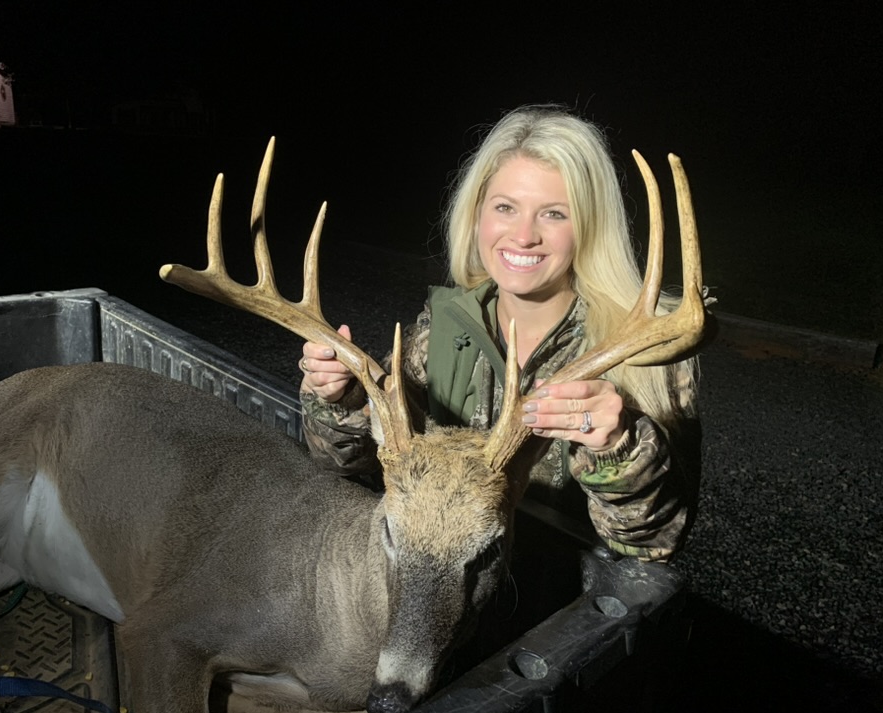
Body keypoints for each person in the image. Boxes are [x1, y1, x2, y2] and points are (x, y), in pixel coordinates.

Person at [297, 105, 700, 563]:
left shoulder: (644, 352)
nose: (523, 235)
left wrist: (616, 448)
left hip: (556, 602)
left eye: (553, 214)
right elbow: (344, 466)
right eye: (506, 207)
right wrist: (340, 398)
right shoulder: (446, 325)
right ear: (477, 214)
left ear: (589, 227)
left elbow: (654, 546)